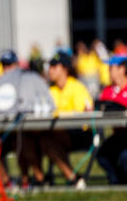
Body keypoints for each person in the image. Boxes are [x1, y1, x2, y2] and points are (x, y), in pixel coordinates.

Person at [0, 49, 55, 189]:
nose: (6, 69)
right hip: (10, 132)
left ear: (17, 64)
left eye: (9, 65)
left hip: (30, 131)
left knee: (24, 139)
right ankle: (6, 182)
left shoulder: (28, 80)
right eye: (4, 65)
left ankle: (33, 179)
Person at [40, 50, 93, 187]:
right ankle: (38, 180)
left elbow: (81, 117)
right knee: (33, 139)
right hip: (57, 132)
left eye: (54, 66)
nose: (50, 70)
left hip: (80, 133)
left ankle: (71, 178)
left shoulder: (77, 88)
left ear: (65, 69)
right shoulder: (51, 91)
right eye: (49, 66)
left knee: (46, 140)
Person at [96, 54, 127, 184]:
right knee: (102, 156)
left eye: (111, 68)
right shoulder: (108, 90)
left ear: (122, 69)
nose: (108, 71)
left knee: (125, 157)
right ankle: (117, 181)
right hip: (118, 135)